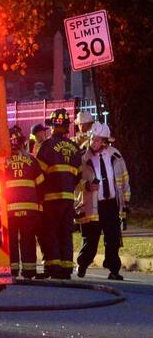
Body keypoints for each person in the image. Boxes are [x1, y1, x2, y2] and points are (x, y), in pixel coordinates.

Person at [76, 122, 130, 281]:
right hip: (92, 205)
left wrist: (126, 202)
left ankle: (113, 270)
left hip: (111, 204)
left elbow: (125, 179)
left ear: (106, 141)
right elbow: (73, 180)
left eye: (98, 140)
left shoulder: (116, 155)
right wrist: (86, 185)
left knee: (113, 239)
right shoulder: (82, 157)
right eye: (93, 139)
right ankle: (83, 263)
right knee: (91, 240)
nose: (94, 143)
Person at [34, 108, 82, 279]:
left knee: (51, 232)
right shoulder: (75, 148)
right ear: (67, 127)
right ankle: (67, 268)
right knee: (65, 233)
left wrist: (39, 195)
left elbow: (38, 174)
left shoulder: (46, 146)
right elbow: (79, 175)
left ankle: (53, 268)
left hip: (50, 199)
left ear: (53, 126)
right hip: (68, 199)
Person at [5, 126, 44, 279]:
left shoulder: (3, 162)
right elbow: (41, 184)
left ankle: (12, 271)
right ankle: (29, 271)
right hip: (30, 208)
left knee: (11, 240)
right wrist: (40, 207)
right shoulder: (32, 159)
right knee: (28, 239)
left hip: (9, 209)